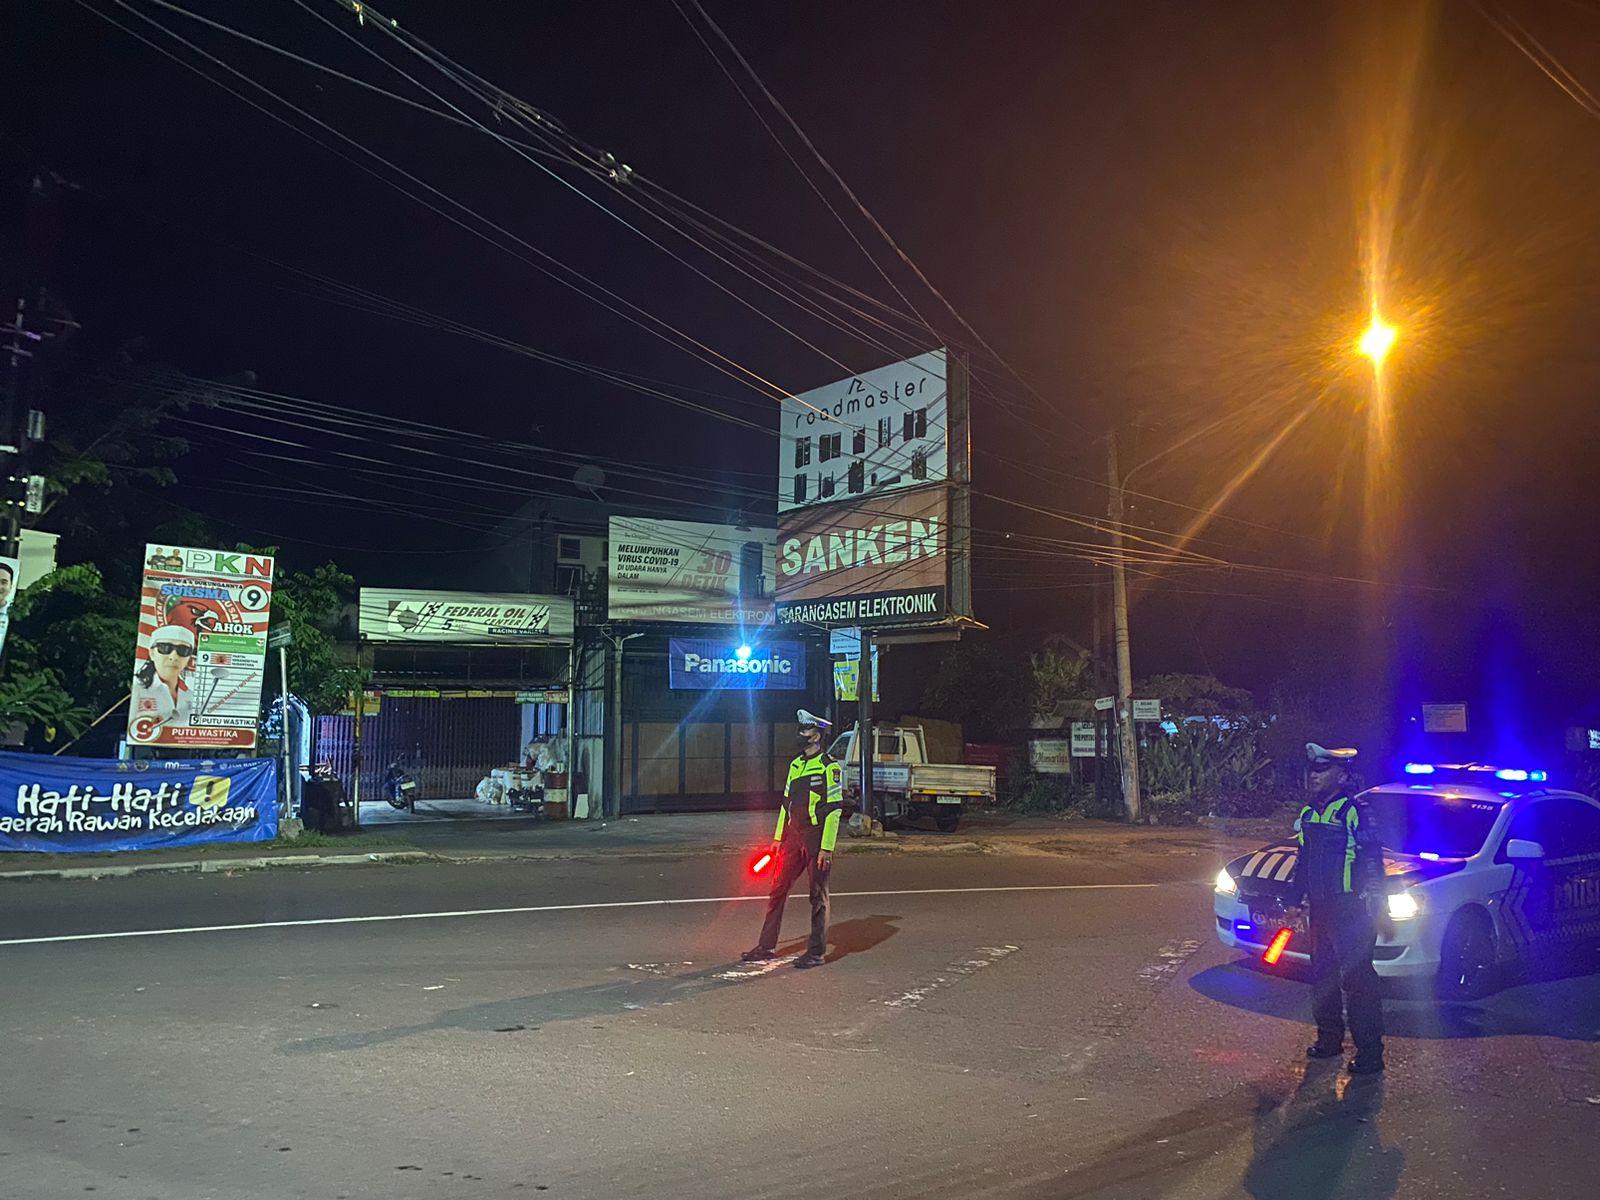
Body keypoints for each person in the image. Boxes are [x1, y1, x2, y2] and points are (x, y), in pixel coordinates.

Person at [1286, 742, 1387, 1075]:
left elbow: (1373, 861)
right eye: (1311, 770)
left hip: (1351, 912)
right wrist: (1292, 902)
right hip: (1321, 912)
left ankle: (1370, 1054)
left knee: (1359, 983)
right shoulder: (1309, 814)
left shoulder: (1355, 811)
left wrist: (1377, 903)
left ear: (1341, 774)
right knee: (1323, 978)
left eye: (1321, 770)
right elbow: (1302, 863)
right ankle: (1329, 1041)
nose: (1313, 776)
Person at [742, 709, 844, 969]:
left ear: (817, 736)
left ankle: (816, 953)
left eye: (805, 730)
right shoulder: (795, 765)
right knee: (777, 890)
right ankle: (766, 946)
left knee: (818, 897)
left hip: (816, 840)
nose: (801, 734)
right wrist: (777, 838)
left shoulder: (829, 767)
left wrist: (826, 847)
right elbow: (785, 805)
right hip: (792, 839)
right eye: (800, 730)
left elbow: (834, 809)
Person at [130, 623, 197, 734]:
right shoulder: (138, 689)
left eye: (183, 650)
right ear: (152, 653)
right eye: (165, 648)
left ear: (188, 658)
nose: (173, 657)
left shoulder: (191, 695)